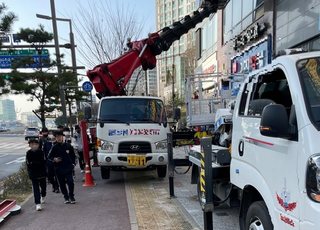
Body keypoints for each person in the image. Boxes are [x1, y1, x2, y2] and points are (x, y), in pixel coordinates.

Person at [48, 130, 76, 204]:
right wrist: (55, 159)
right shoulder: (54, 147)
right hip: (59, 168)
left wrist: (73, 164)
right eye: (57, 137)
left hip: (68, 167)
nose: (59, 138)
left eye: (60, 136)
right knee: (62, 184)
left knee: (70, 181)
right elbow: (49, 157)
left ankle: (71, 196)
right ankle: (66, 197)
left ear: (63, 137)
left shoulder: (68, 146)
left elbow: (73, 156)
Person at [26, 138, 47, 211]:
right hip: (33, 174)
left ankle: (43, 195)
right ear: (29, 145)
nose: (33, 145)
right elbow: (29, 164)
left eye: (35, 144)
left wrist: (34, 163)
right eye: (32, 144)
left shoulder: (41, 152)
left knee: (43, 187)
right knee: (35, 189)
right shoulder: (28, 153)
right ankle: (37, 203)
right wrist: (36, 164)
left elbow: (43, 162)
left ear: (38, 145)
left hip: (42, 173)